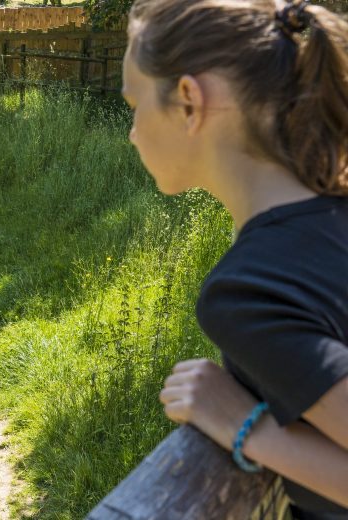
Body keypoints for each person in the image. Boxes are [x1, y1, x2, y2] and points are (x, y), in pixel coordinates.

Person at [120, 0, 348, 518]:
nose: (132, 132)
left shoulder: (248, 291)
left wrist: (245, 426)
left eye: (135, 104)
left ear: (187, 101)